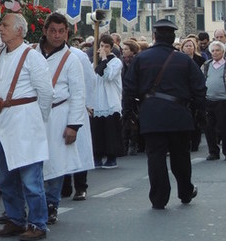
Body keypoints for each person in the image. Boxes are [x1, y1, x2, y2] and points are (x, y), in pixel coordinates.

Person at [0, 12, 53, 241]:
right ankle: (15, 219)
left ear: (19, 30)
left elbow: (46, 92)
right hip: (3, 124)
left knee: (31, 179)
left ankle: (38, 223)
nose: (0, 29)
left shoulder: (32, 57)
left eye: (4, 25)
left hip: (24, 122)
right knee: (7, 177)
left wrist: (36, 118)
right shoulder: (0, 54)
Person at [123, 18, 205, 209]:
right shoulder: (184, 60)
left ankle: (159, 198)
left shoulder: (141, 59)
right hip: (179, 115)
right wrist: (200, 113)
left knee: (156, 158)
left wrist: (129, 114)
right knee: (181, 158)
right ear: (173, 37)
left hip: (151, 115)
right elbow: (200, 88)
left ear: (155, 36)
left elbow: (128, 89)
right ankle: (185, 191)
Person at [37, 13, 89, 224]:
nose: (57, 36)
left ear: (67, 33)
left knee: (56, 162)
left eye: (61, 31)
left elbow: (78, 94)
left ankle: (51, 204)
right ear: (45, 31)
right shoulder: (32, 53)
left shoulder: (71, 59)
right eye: (53, 31)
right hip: (35, 115)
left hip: (59, 114)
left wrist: (73, 126)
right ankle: (34, 202)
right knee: (34, 161)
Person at [91, 34, 123, 168]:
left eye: (107, 46)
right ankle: (97, 156)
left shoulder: (116, 62)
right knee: (98, 131)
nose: (104, 48)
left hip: (110, 100)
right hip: (97, 100)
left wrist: (104, 59)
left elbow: (108, 76)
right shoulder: (94, 62)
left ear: (111, 48)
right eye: (102, 46)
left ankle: (111, 157)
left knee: (110, 131)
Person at [203, 40, 226, 160]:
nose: (215, 53)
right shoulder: (207, 64)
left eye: (217, 50)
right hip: (209, 100)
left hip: (223, 101)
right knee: (208, 128)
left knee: (223, 127)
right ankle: (213, 152)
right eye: (213, 51)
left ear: (223, 51)